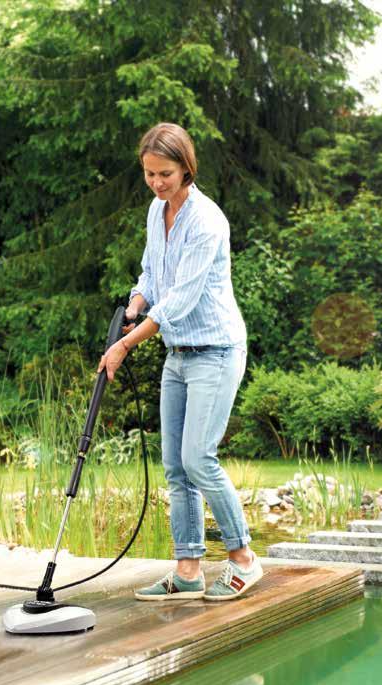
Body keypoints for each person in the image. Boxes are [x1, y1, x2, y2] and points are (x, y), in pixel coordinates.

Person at [97, 122, 262, 601]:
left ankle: (244, 561)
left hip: (216, 350)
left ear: (186, 168)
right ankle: (188, 570)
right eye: (149, 174)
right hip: (178, 355)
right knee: (175, 466)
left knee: (198, 458)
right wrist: (133, 303)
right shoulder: (156, 211)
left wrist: (125, 345)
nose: (157, 182)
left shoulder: (207, 221)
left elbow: (181, 301)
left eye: (165, 173)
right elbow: (152, 272)